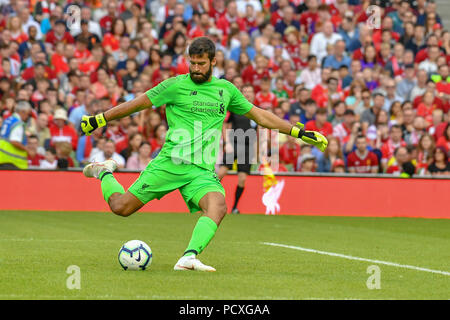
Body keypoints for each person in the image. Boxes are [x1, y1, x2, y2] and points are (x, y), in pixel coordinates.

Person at [80, 37, 328, 272]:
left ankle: (188, 257)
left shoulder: (226, 90)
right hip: (170, 163)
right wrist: (100, 118)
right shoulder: (175, 85)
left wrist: (299, 131)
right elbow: (138, 103)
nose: (196, 68)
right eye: (192, 63)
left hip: (200, 172)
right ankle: (104, 172)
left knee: (218, 206)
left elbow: (260, 115)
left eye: (201, 63)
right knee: (121, 207)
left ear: (213, 62)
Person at [217, 84, 257, 214]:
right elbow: (225, 125)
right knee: (222, 171)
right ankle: (206, 198)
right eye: (245, 91)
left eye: (250, 91)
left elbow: (259, 131)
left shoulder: (256, 111)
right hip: (233, 143)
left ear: (254, 94)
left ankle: (234, 207)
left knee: (242, 178)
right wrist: (226, 142)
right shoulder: (235, 108)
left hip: (248, 147)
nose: (248, 94)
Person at [0, 101, 32, 169]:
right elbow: (14, 141)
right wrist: (27, 149)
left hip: (2, 158)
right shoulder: (18, 123)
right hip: (11, 161)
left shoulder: (8, 120)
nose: (27, 117)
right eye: (27, 114)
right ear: (22, 111)